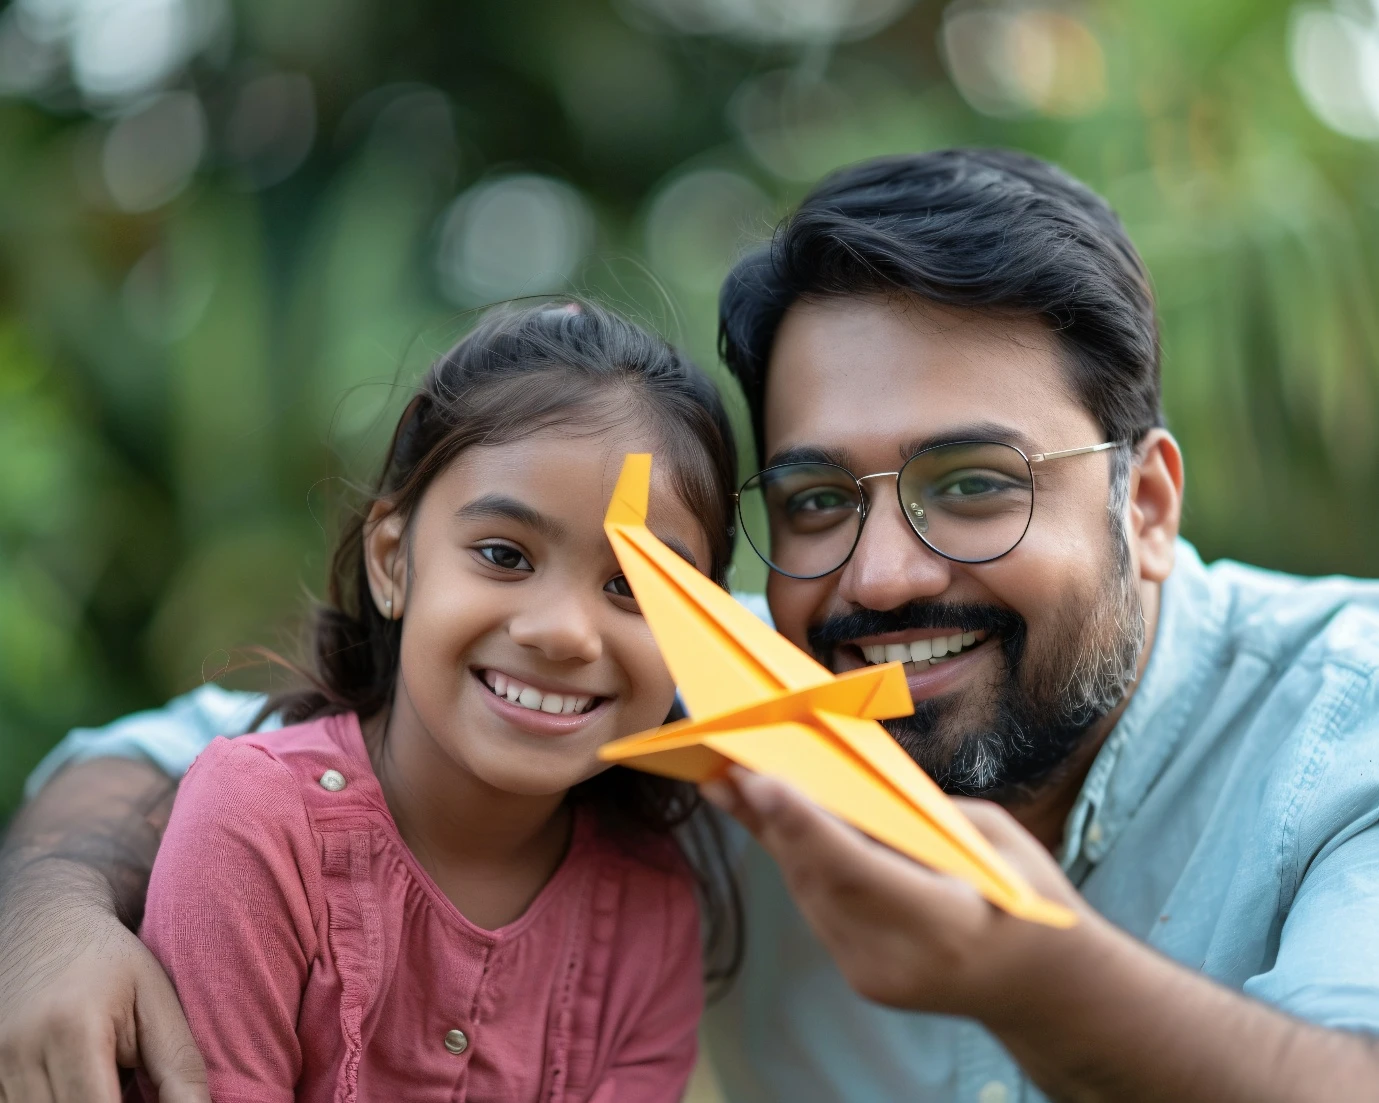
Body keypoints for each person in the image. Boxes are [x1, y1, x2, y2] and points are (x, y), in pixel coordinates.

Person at [3, 147, 1379, 1102]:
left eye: (974, 486)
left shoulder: (1345, 715)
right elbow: (169, 756)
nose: (883, 575)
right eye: (817, 497)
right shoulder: (691, 682)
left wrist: (1028, 971)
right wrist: (51, 910)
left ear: (1142, 503)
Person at [37, 300, 746, 1102]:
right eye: (504, 555)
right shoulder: (258, 825)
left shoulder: (652, 907)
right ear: (391, 561)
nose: (563, 633)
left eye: (634, 586)